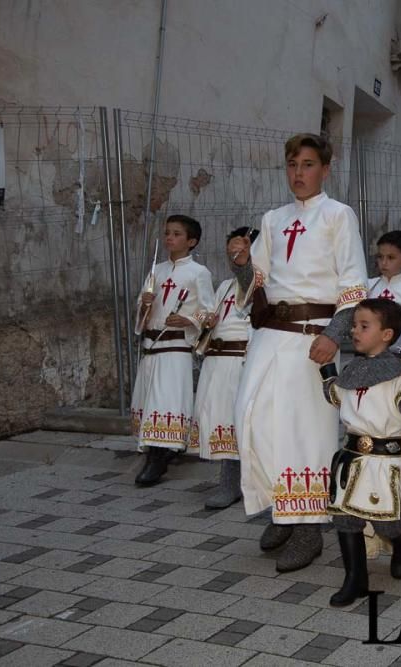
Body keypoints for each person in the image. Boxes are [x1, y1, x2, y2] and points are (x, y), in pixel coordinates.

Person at [228, 133, 368, 573]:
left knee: (304, 431)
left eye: (308, 165)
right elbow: (257, 285)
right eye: (292, 165)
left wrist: (335, 335)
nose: (299, 173)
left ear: (324, 169)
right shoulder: (272, 218)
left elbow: (352, 284)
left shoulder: (337, 215)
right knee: (254, 420)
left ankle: (308, 527)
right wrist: (240, 264)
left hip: (313, 338)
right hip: (270, 336)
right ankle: (280, 509)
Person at [320, 299, 401, 606]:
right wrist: (327, 370)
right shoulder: (353, 368)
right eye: (354, 325)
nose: (354, 331)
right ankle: (355, 580)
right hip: (350, 458)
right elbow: (337, 397)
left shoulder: (396, 369)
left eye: (364, 326)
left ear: (386, 334)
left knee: (384, 520)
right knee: (344, 518)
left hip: (381, 460)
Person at [131, 214, 215, 486]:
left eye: (177, 234)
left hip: (176, 346)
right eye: (168, 233)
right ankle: (162, 451)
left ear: (191, 241)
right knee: (149, 400)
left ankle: (156, 459)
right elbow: (143, 314)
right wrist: (144, 305)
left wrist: (187, 319)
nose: (170, 238)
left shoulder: (198, 273)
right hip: (153, 346)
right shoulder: (157, 270)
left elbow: (209, 311)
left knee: (164, 401)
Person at [189, 227, 259, 508]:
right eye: (231, 250)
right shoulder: (224, 286)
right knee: (220, 420)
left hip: (240, 362)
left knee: (238, 422)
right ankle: (230, 482)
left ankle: (241, 484)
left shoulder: (264, 284)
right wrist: (205, 322)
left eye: (241, 249)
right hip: (217, 363)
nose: (234, 255)